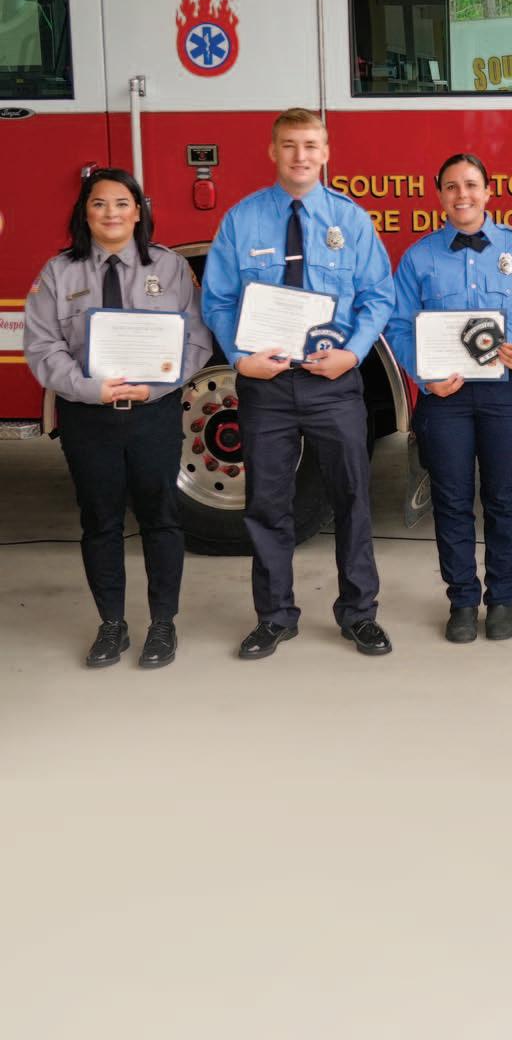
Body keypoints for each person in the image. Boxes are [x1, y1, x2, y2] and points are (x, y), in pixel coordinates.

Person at [201, 107, 396, 660]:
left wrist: (353, 354)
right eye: (289, 145)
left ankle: (359, 613)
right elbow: (217, 300)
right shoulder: (241, 220)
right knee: (267, 503)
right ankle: (274, 616)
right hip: (267, 387)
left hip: (333, 385)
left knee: (352, 497)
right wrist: (240, 360)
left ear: (326, 152)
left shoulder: (349, 220)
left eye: (311, 145)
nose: (300, 156)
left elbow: (378, 295)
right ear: (273, 151)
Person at [23, 167, 213, 669]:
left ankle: (163, 624)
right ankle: (112, 625)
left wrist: (158, 385)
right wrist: (90, 388)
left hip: (153, 412)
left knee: (161, 517)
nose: (111, 213)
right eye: (100, 203)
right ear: (84, 213)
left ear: (138, 212)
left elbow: (196, 339)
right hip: (88, 417)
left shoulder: (170, 268)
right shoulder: (58, 272)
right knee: (100, 520)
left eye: (122, 203)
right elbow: (42, 346)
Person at [385, 154, 512, 642]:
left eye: (471, 185)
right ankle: (462, 600)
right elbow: (397, 326)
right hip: (445, 399)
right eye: (452, 186)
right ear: (439, 194)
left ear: (488, 191)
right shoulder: (418, 257)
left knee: (504, 500)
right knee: (452, 500)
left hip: (505, 394)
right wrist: (424, 377)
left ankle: (502, 599)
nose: (462, 195)